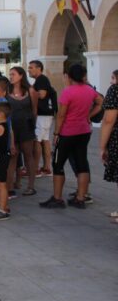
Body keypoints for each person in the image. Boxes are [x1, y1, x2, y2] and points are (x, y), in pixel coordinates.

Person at [40, 64, 103, 209]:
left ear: (68, 76)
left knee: (58, 164)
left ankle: (57, 198)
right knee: (82, 163)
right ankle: (80, 198)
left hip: (68, 132)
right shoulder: (89, 90)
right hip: (84, 131)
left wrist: (56, 133)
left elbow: (61, 115)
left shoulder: (68, 92)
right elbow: (100, 103)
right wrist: (89, 116)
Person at [8, 66, 38, 196]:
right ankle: (11, 185)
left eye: (13, 74)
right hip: (12, 127)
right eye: (10, 75)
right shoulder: (7, 91)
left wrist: (33, 126)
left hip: (26, 126)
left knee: (28, 155)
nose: (11, 77)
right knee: (13, 156)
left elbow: (35, 110)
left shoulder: (30, 90)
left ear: (21, 76)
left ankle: (31, 185)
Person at [29, 60, 55, 177]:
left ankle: (36, 169)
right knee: (44, 139)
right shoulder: (40, 80)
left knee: (37, 140)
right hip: (46, 115)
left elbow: (42, 94)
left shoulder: (42, 79)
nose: (29, 70)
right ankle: (46, 167)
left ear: (39, 68)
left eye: (31, 67)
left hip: (42, 114)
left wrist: (29, 93)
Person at [100, 70, 118, 224]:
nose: (111, 81)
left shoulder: (115, 90)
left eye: (113, 78)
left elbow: (109, 120)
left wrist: (102, 146)